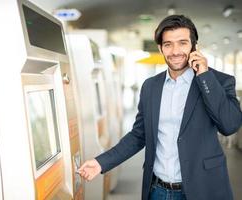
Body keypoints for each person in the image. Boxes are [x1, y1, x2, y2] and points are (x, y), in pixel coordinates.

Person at [78, 15, 242, 200]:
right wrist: (102, 163)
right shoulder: (151, 87)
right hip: (157, 190)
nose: (175, 51)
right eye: (168, 44)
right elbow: (139, 135)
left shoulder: (218, 81)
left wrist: (204, 76)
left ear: (194, 47)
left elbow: (229, 125)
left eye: (182, 43)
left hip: (203, 189)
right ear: (160, 48)